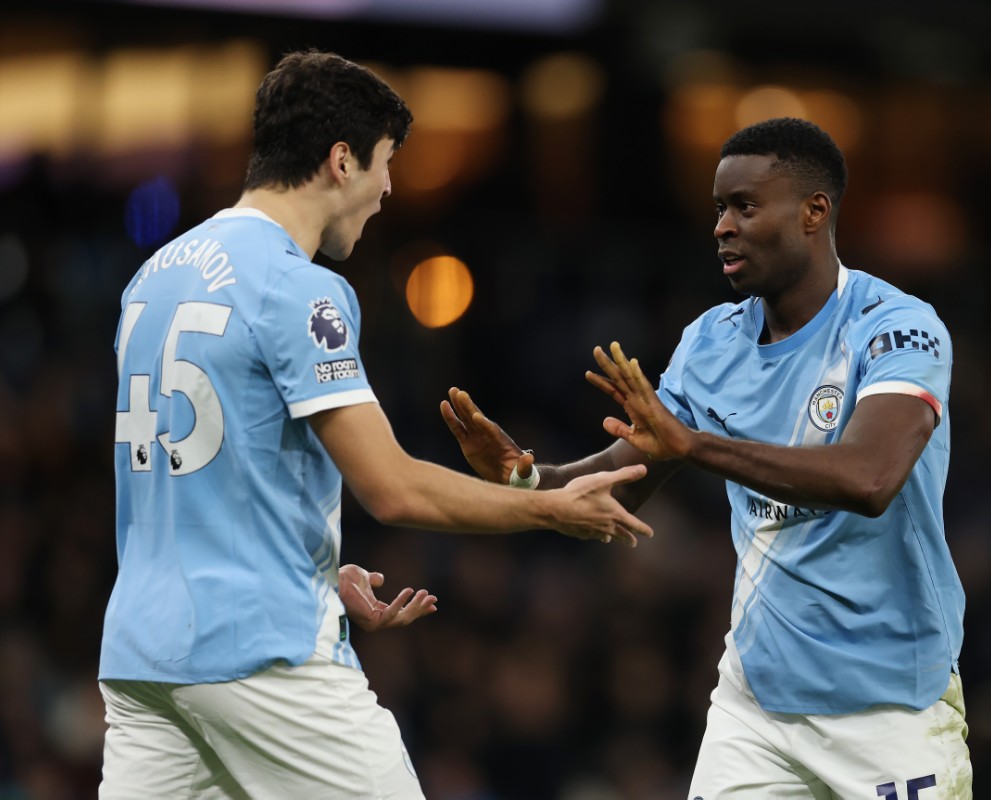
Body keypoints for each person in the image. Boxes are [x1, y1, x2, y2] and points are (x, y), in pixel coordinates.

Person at [100, 50, 652, 800]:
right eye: (386, 162)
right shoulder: (301, 288)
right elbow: (391, 488)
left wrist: (314, 568)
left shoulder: (153, 277)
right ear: (341, 161)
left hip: (142, 657)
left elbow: (196, 478)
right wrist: (548, 507)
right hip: (261, 654)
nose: (390, 188)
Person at [441, 117, 972, 798]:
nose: (722, 227)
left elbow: (871, 478)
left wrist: (696, 446)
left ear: (814, 212)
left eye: (745, 206)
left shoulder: (895, 327)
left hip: (889, 704)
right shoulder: (710, 343)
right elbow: (621, 485)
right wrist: (524, 478)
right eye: (719, 208)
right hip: (756, 708)